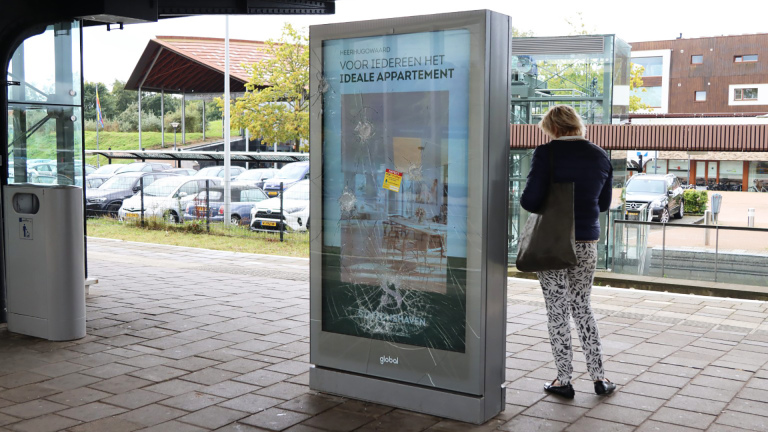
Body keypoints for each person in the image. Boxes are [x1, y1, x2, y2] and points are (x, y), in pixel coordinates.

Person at [520, 105, 615, 399]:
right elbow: (603, 204)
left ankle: (564, 380)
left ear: (554, 128)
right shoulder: (601, 155)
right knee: (582, 306)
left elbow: (531, 202)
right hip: (586, 244)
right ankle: (600, 378)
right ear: (576, 125)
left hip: (552, 243)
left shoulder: (546, 153)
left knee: (558, 310)